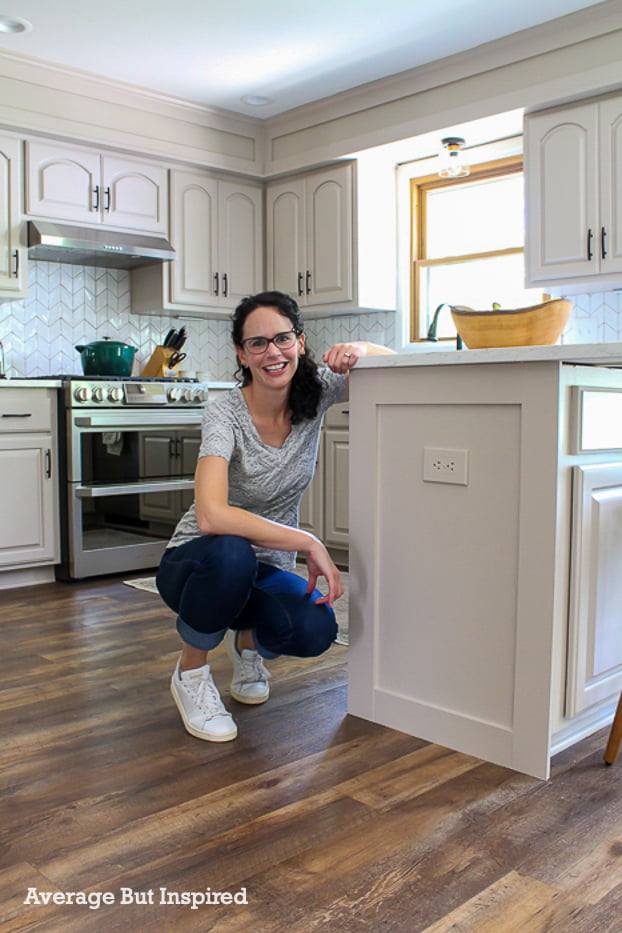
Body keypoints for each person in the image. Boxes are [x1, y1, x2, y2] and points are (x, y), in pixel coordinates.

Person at [156, 290, 395, 742]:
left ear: (300, 342)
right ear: (242, 355)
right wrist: (307, 541)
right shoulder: (224, 413)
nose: (272, 353)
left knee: (315, 629)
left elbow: (390, 362)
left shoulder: (316, 392)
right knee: (231, 552)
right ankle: (190, 674)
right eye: (258, 344)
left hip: (263, 568)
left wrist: (359, 350)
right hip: (195, 564)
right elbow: (210, 515)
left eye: (282, 339)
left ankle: (246, 645)